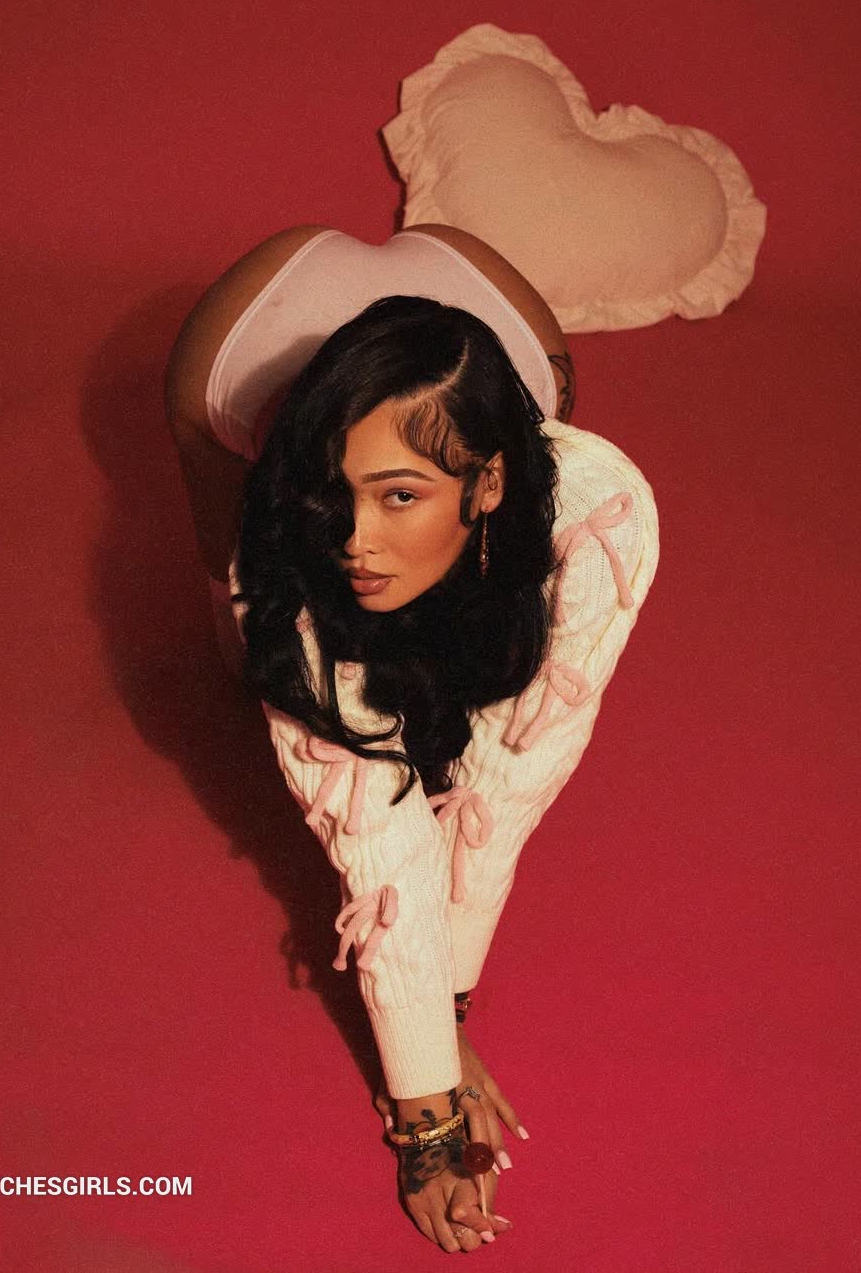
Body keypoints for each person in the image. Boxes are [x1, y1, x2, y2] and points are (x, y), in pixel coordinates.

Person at [164, 224, 659, 1253]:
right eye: (337, 496)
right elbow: (383, 852)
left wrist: (451, 1010)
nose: (355, 541)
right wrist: (427, 1111)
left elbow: (504, 789)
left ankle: (445, 536)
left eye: (399, 496)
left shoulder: (602, 521)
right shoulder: (291, 557)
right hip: (246, 327)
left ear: (489, 485)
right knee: (237, 651)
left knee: (486, 640)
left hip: (487, 301)